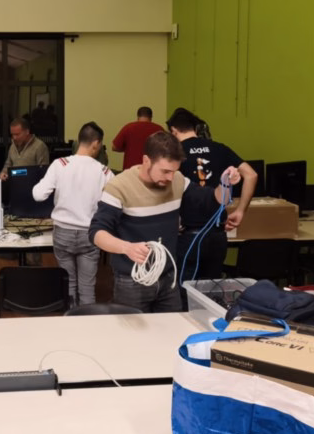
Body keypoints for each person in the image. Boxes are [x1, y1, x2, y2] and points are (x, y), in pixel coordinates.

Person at [90, 131, 240, 312]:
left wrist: (225, 184)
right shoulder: (119, 187)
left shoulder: (177, 181)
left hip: (168, 278)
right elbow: (97, 233)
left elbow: (212, 201)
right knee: (133, 329)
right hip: (132, 280)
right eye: (165, 171)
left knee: (171, 327)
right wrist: (127, 248)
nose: (170, 177)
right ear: (146, 161)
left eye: (174, 171)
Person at [166, 108, 259, 281]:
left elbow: (167, 185)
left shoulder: (175, 153)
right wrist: (240, 211)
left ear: (173, 131)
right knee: (211, 289)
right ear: (195, 128)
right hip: (217, 234)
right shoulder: (219, 148)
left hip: (189, 235)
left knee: (184, 289)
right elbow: (251, 175)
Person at [32, 122, 113, 306]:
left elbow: (38, 195)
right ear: (96, 144)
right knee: (87, 289)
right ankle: (86, 322)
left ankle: (70, 319)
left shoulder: (60, 164)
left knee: (68, 286)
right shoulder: (105, 172)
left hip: (63, 233)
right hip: (90, 234)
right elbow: (114, 203)